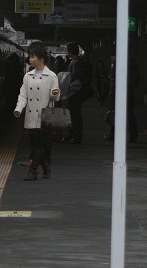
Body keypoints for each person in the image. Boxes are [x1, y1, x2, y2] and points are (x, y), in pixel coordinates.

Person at [14, 41, 61, 180]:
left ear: (41, 58)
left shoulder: (51, 76)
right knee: (35, 145)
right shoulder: (27, 76)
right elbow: (23, 95)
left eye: (32, 56)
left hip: (44, 116)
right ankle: (46, 168)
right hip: (31, 116)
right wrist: (18, 109)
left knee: (39, 145)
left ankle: (33, 171)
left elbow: (56, 97)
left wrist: (55, 92)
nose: (30, 59)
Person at [60, 42, 93, 144]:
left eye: (67, 50)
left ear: (71, 51)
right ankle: (71, 135)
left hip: (74, 93)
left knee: (75, 115)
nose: (66, 52)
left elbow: (75, 77)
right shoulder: (75, 61)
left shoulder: (76, 63)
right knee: (73, 114)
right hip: (73, 92)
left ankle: (76, 136)